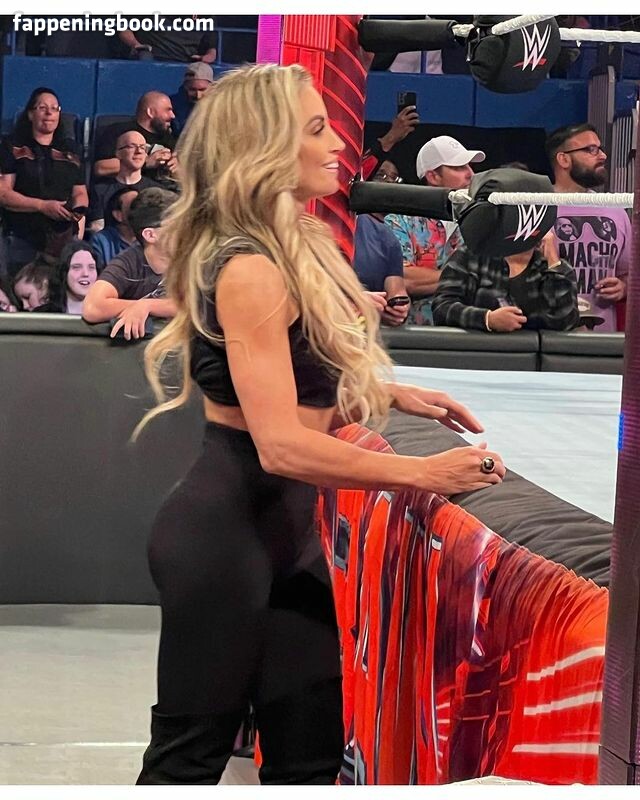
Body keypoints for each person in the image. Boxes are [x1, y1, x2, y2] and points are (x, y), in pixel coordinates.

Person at [133, 63, 505, 786]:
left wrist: (389, 394)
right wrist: (422, 474)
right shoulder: (249, 267)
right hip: (226, 541)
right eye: (315, 128)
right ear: (265, 147)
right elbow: (278, 443)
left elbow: (291, 383)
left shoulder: (284, 246)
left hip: (281, 537)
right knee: (187, 762)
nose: (337, 143)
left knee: (307, 759)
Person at [385, 135, 485, 325]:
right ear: (433, 177)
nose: (471, 174)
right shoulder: (400, 220)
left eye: (470, 166)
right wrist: (468, 279)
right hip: (417, 334)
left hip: (472, 331)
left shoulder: (482, 219)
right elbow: (402, 279)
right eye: (459, 167)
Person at [547, 123, 630, 332]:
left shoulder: (615, 210)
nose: (602, 156)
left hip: (602, 341)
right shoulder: (537, 208)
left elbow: (628, 274)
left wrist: (623, 287)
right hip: (549, 335)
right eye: (591, 150)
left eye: (600, 148)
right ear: (563, 159)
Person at [0, 87, 88, 276]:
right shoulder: (12, 147)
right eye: (43, 108)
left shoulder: (71, 151)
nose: (49, 113)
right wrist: (41, 206)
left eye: (55, 108)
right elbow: (4, 194)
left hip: (63, 238)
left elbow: (80, 192)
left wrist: (77, 213)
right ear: (30, 114)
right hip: (22, 236)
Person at [432, 232, 580, 332]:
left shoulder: (557, 269)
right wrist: (487, 319)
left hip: (533, 361)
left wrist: (553, 262)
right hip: (479, 355)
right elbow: (442, 308)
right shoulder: (470, 255)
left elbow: (566, 322)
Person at [83, 187, 177, 338]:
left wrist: (147, 305)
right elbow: (92, 307)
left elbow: (196, 308)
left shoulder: (194, 259)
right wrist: (138, 307)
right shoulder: (129, 262)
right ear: (150, 235)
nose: (187, 231)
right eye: (177, 225)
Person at [353, 159, 410, 327]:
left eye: (395, 178)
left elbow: (397, 290)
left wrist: (397, 308)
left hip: (365, 333)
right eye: (381, 175)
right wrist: (354, 302)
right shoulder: (316, 221)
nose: (389, 182)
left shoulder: (387, 237)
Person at [93, 92, 177, 182]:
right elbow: (100, 168)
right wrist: (145, 162)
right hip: (127, 187)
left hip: (165, 188)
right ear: (150, 112)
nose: (173, 115)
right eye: (167, 110)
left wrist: (176, 165)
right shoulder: (120, 131)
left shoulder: (168, 137)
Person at [88, 130, 158, 232]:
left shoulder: (156, 190)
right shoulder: (100, 191)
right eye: (131, 147)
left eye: (142, 148)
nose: (138, 151)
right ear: (118, 153)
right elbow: (97, 228)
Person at [35, 241, 100, 314]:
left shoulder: (107, 315)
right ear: (64, 272)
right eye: (77, 267)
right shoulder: (42, 315)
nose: (85, 273)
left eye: (91, 267)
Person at [117, 15, 216, 63]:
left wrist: (208, 57)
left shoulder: (205, 17)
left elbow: (212, 47)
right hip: (153, 58)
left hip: (189, 62)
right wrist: (135, 44)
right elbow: (123, 28)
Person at [90, 187, 139, 265]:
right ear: (118, 215)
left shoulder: (152, 239)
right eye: (134, 206)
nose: (141, 210)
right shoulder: (101, 241)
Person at [171, 62, 214, 138]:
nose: (198, 95)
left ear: (211, 87)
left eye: (202, 90)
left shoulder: (220, 106)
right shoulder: (171, 105)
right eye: (192, 90)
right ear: (185, 86)